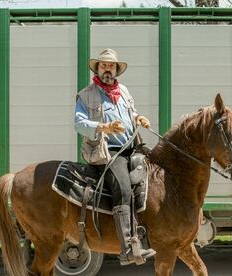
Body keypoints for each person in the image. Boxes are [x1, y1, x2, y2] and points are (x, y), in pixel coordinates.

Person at [74, 48, 156, 265]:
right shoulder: (86, 95)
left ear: (116, 70)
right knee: (124, 188)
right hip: (108, 152)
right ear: (97, 68)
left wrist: (139, 118)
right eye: (103, 65)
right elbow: (79, 124)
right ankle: (128, 248)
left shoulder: (124, 91)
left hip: (131, 149)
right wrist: (104, 127)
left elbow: (131, 112)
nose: (107, 69)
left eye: (111, 66)